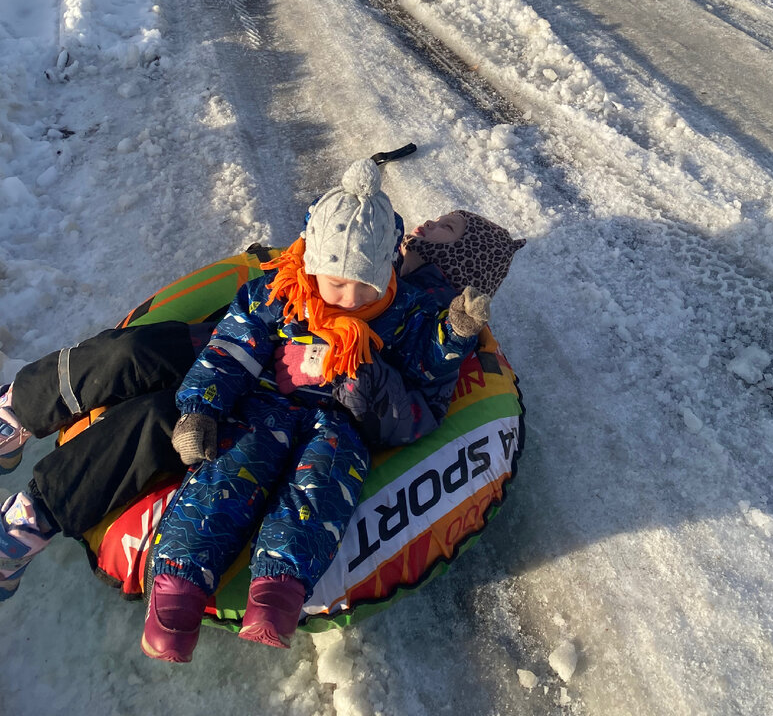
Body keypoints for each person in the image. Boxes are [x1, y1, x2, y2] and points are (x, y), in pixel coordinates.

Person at [0, 163, 524, 635]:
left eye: (446, 227)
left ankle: (31, 521)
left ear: (458, 259)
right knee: (133, 351)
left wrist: (350, 365)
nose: (427, 225)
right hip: (243, 345)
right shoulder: (344, 247)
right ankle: (15, 410)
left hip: (296, 400)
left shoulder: (427, 306)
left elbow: (419, 381)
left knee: (158, 420)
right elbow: (282, 276)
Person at [139, 159, 518, 662]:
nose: (345, 296)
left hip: (340, 423)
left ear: (387, 270)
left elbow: (427, 367)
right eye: (333, 281)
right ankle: (176, 594)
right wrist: (200, 409)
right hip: (265, 407)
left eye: (362, 285)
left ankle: (276, 593)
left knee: (319, 491)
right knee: (228, 473)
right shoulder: (283, 295)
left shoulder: (402, 311)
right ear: (312, 263)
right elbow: (229, 350)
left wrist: (454, 334)